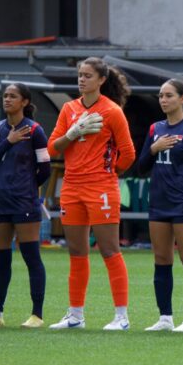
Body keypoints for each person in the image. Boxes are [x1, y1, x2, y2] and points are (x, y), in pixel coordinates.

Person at [47, 56, 137, 330]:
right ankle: (75, 315)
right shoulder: (68, 109)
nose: (82, 79)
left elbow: (128, 153)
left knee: (109, 250)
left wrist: (107, 173)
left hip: (101, 188)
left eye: (87, 75)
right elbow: (52, 149)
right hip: (72, 187)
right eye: (80, 75)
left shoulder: (112, 111)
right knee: (76, 251)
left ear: (101, 80)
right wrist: (73, 133)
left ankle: (121, 316)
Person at [136, 79, 183, 332]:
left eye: (169, 95)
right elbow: (141, 166)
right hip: (159, 202)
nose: (163, 100)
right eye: (160, 96)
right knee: (161, 259)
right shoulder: (155, 129)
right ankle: (165, 318)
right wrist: (154, 148)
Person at [0, 83, 50, 328]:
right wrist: (8, 141)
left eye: (13, 96)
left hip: (24, 203)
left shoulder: (36, 131)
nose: (7, 99)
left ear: (25, 102)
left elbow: (45, 170)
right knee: (1, 261)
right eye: (5, 95)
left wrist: (27, 188)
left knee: (31, 257)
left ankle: (36, 315)